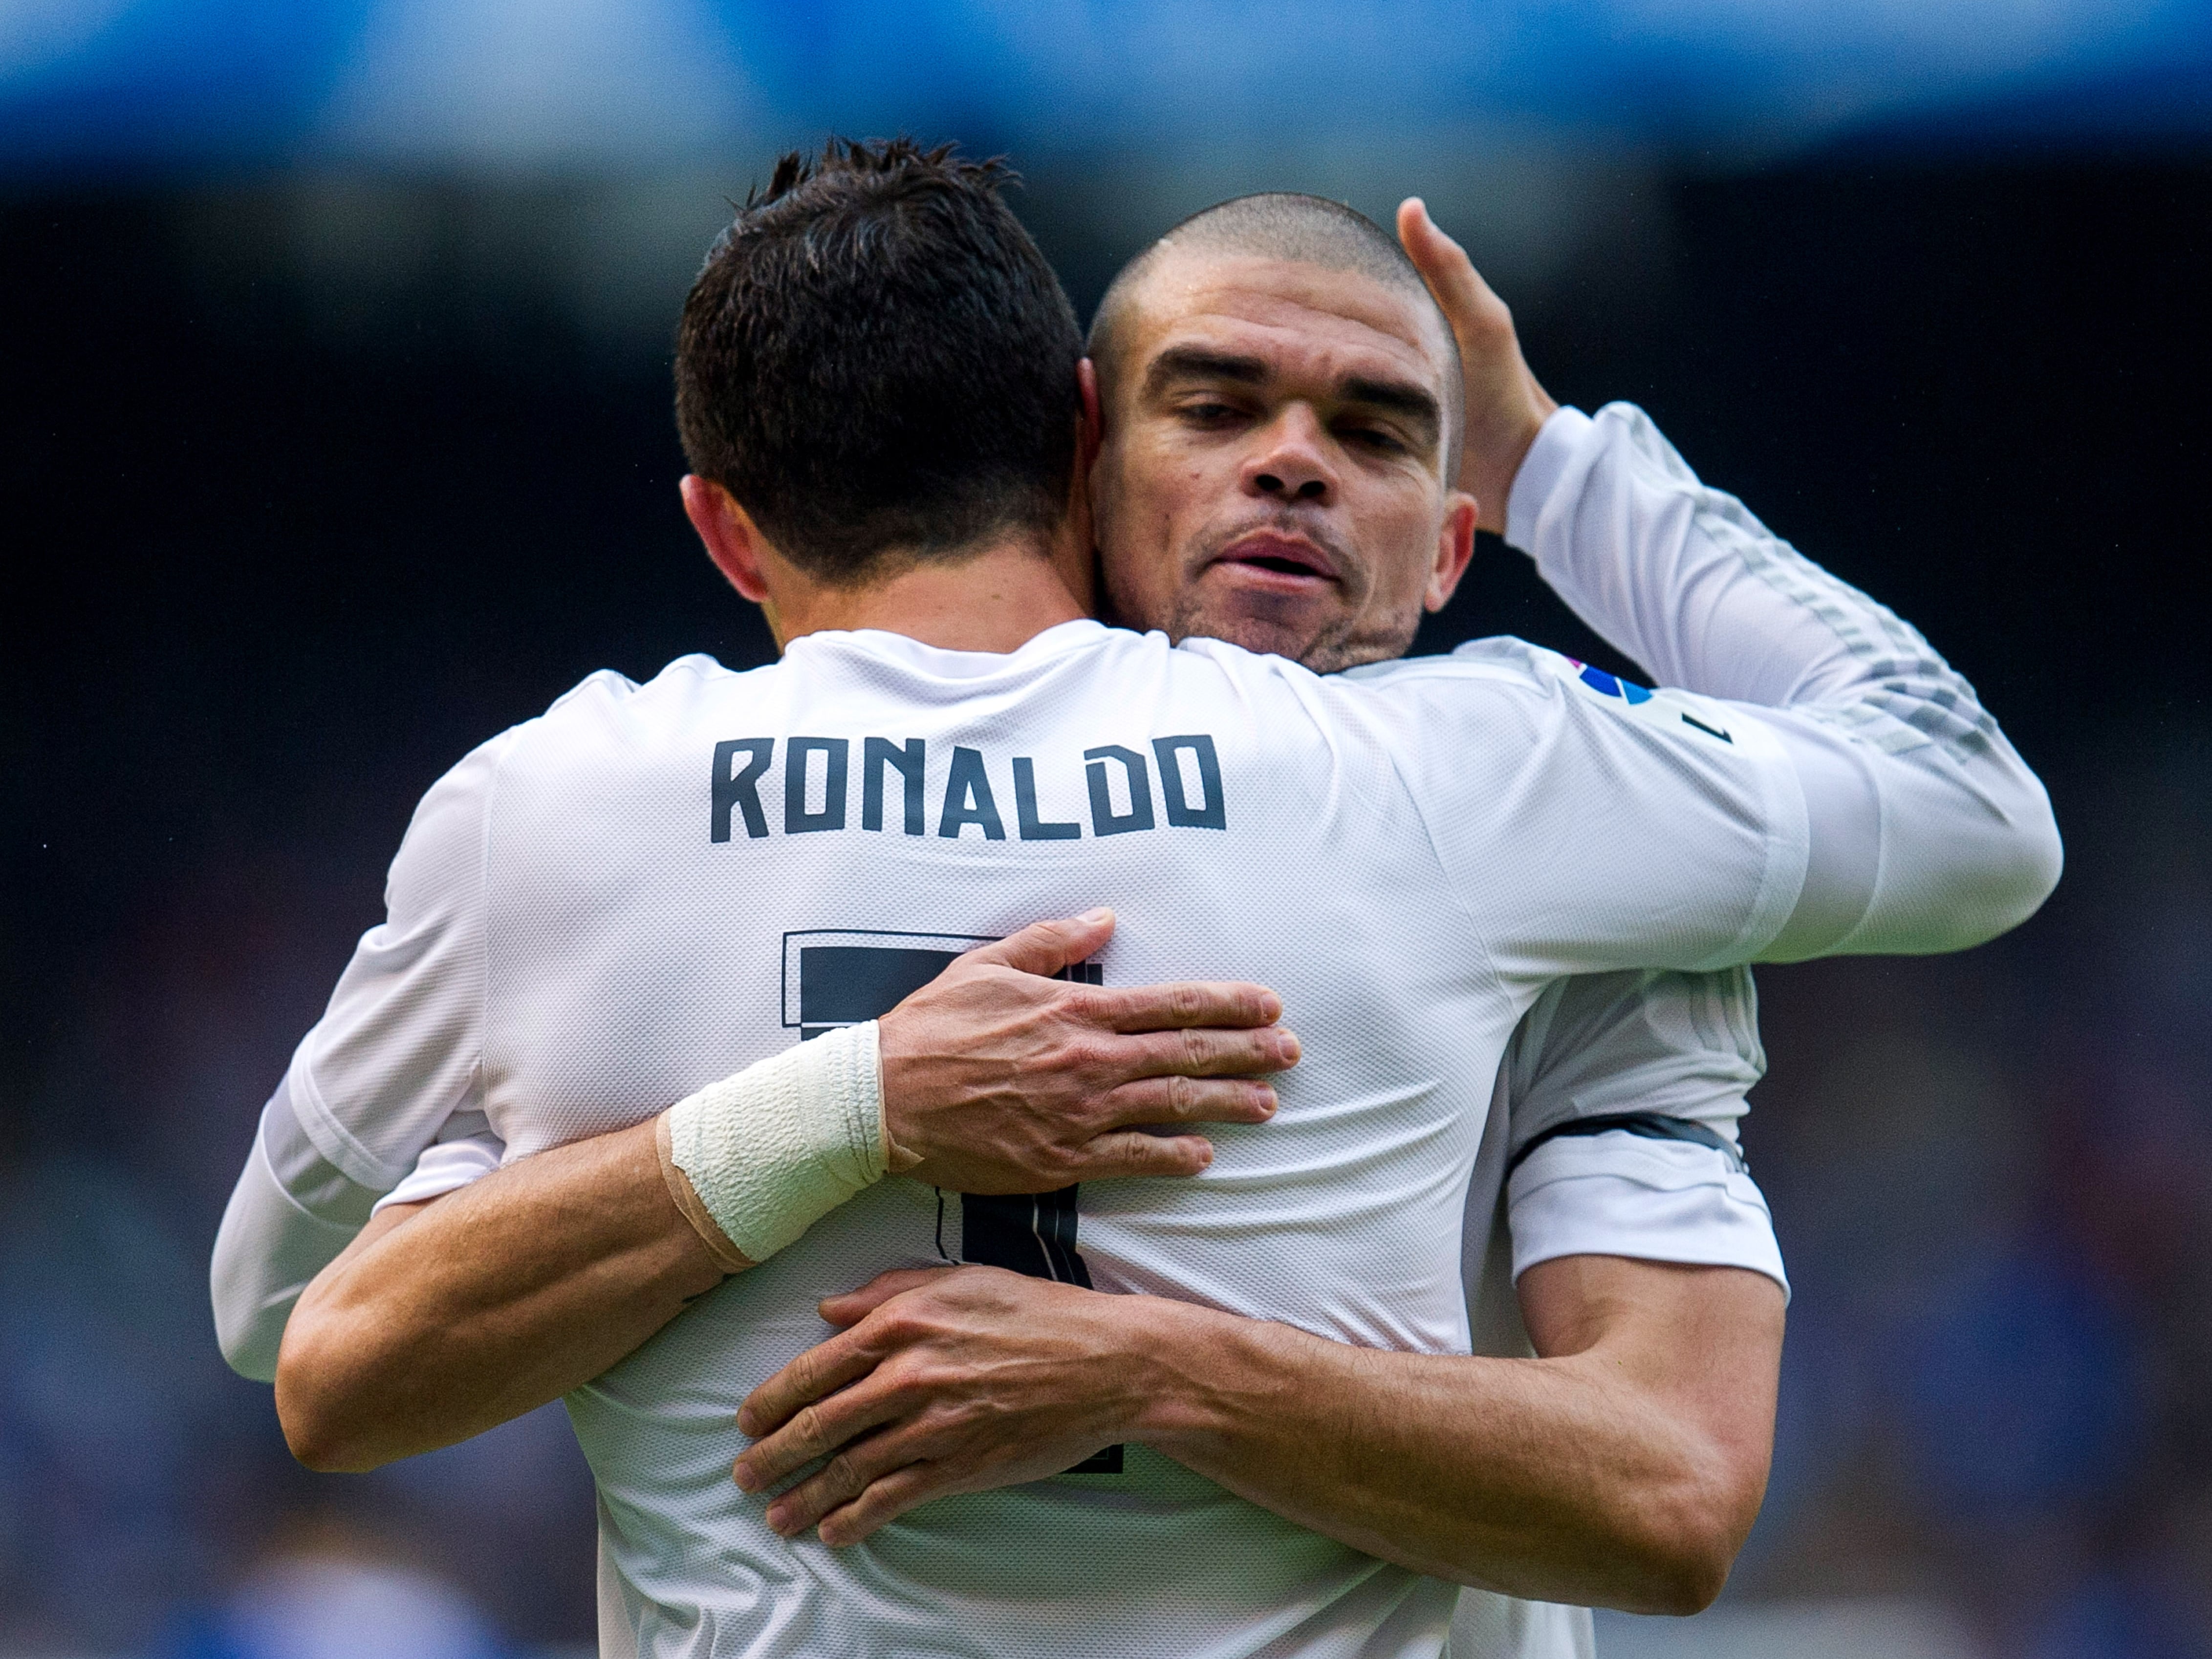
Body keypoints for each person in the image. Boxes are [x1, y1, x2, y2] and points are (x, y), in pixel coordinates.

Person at [216, 141, 2059, 1657]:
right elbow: (1965, 798)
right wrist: (1554, 458)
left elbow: (1668, 1488)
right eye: (1222, 401)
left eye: (1380, 431)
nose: (1291, 460)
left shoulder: (570, 806)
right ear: (1082, 451)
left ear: (1448, 542)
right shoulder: (1484, 776)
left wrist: (1146, 1363)